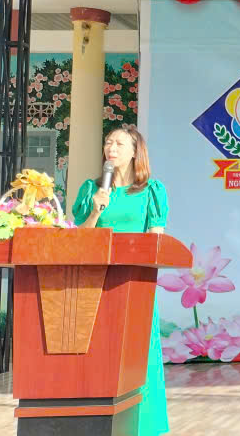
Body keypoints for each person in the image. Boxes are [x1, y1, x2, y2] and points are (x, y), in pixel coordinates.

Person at [72, 126, 170, 436]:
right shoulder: (92, 189)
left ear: (134, 151)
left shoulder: (151, 191)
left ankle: (143, 425)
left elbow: (155, 241)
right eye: (108, 142)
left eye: (119, 144)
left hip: (136, 284)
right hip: (96, 283)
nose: (111, 148)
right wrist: (94, 212)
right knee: (100, 351)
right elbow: (79, 238)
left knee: (140, 352)